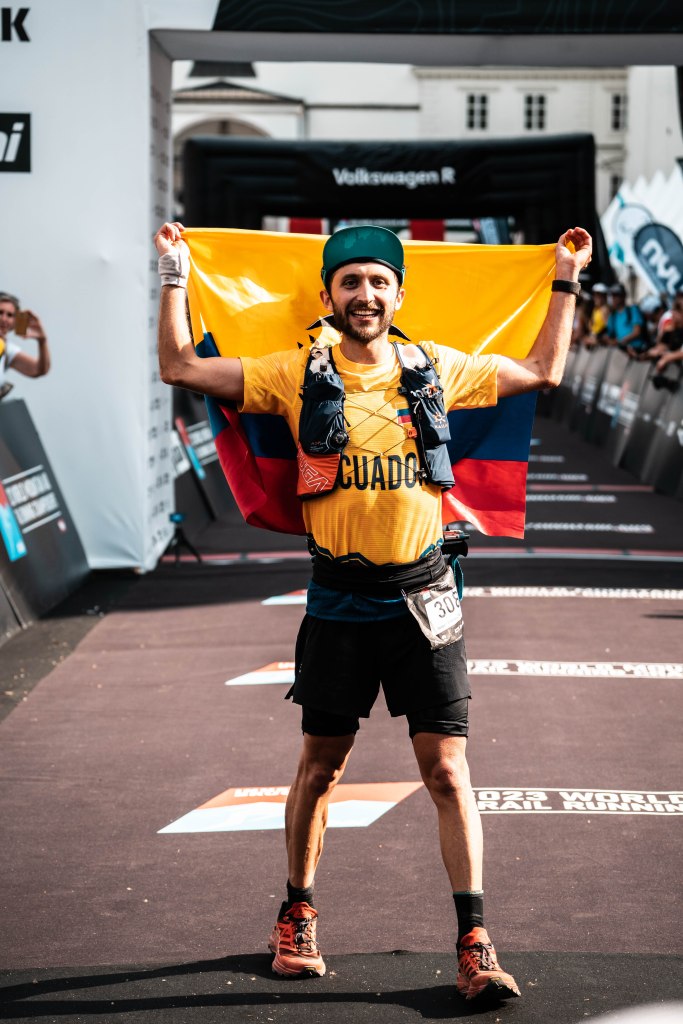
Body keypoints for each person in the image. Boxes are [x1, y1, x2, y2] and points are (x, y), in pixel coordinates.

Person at [154, 220, 592, 1003]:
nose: (364, 294)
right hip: (339, 599)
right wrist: (173, 274)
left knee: (447, 772)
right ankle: (296, 914)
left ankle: (474, 943)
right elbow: (180, 367)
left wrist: (564, 276)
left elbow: (541, 370)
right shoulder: (293, 372)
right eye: (349, 281)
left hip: (425, 596)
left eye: (378, 281)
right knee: (320, 768)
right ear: (327, 295)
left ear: (398, 293)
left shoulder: (436, 368)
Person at [0, 292, 51, 398]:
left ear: (15, 322)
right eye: (0, 312)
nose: (4, 319)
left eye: (10, 315)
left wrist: (42, 341)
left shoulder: (7, 349)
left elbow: (39, 370)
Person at [604, 283, 647, 354]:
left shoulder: (633, 310)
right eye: (612, 295)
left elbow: (637, 332)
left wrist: (621, 341)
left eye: (616, 295)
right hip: (620, 351)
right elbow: (608, 335)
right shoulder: (613, 315)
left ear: (623, 296)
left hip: (637, 349)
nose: (613, 298)